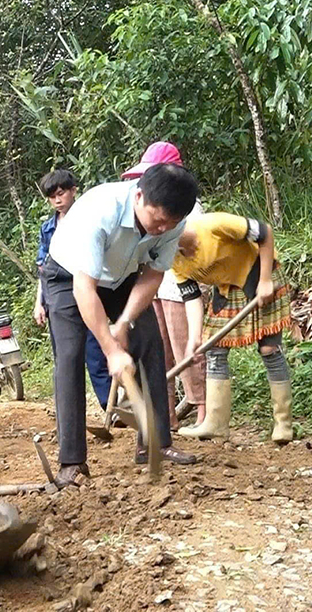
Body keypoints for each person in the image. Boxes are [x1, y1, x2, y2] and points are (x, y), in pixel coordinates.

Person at [42, 163, 200, 488]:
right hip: (69, 276)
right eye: (156, 220)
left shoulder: (171, 222)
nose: (161, 229)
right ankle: (72, 463)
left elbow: (154, 273)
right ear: (139, 195)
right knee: (71, 357)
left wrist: (125, 322)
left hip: (123, 277)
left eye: (169, 224)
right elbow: (84, 289)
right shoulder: (101, 211)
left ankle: (156, 443)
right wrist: (112, 350)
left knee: (150, 343)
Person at [171, 212, 293, 444]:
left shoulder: (214, 225)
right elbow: (192, 297)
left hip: (259, 274)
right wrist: (194, 339)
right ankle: (216, 423)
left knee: (269, 350)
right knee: (214, 348)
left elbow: (264, 232)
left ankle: (283, 424)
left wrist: (265, 280)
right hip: (226, 287)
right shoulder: (172, 258)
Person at [122, 143, 206, 430]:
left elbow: (193, 244)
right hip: (151, 285)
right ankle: (166, 418)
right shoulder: (142, 201)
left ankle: (204, 414)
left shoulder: (188, 206)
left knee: (186, 348)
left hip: (178, 283)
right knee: (160, 354)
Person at [33, 169, 112, 410]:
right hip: (58, 295)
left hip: (88, 288)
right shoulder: (48, 228)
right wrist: (40, 302)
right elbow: (43, 269)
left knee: (96, 348)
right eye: (52, 196)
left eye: (61, 193)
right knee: (65, 356)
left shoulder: (90, 218)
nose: (57, 200)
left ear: (73, 191)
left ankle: (110, 404)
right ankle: (68, 411)